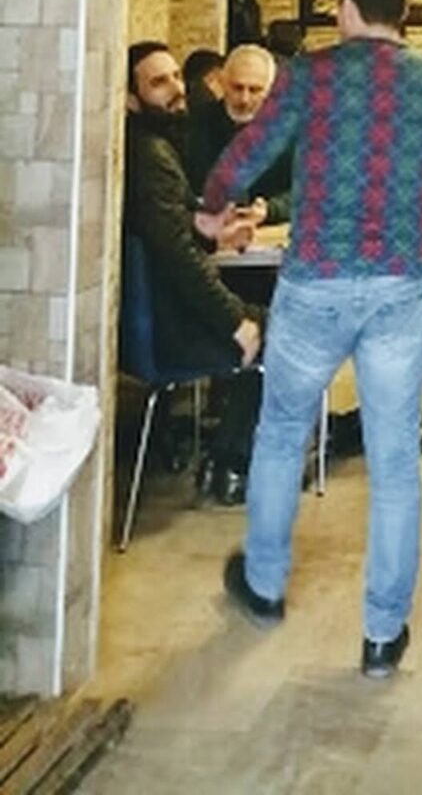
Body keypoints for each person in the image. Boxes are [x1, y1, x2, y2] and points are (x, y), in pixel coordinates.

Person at [204, 0, 422, 678]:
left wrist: (211, 205)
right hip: (397, 292)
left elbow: (245, 155)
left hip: (312, 284)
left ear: (347, 8)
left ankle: (263, 585)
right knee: (394, 466)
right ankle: (382, 635)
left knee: (281, 434)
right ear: (400, 13)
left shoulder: (310, 75)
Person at [123, 42, 263, 505]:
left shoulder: (149, 145)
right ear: (131, 98)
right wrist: (235, 321)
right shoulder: (152, 155)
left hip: (157, 319)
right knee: (280, 330)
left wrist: (207, 229)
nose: (176, 89)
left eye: (176, 76)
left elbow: (167, 230)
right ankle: (231, 466)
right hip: (169, 328)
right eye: (158, 82)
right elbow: (176, 255)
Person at [187, 44, 292, 226]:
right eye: (237, 88)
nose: (244, 99)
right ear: (222, 83)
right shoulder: (195, 125)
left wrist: (270, 210)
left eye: (255, 90)